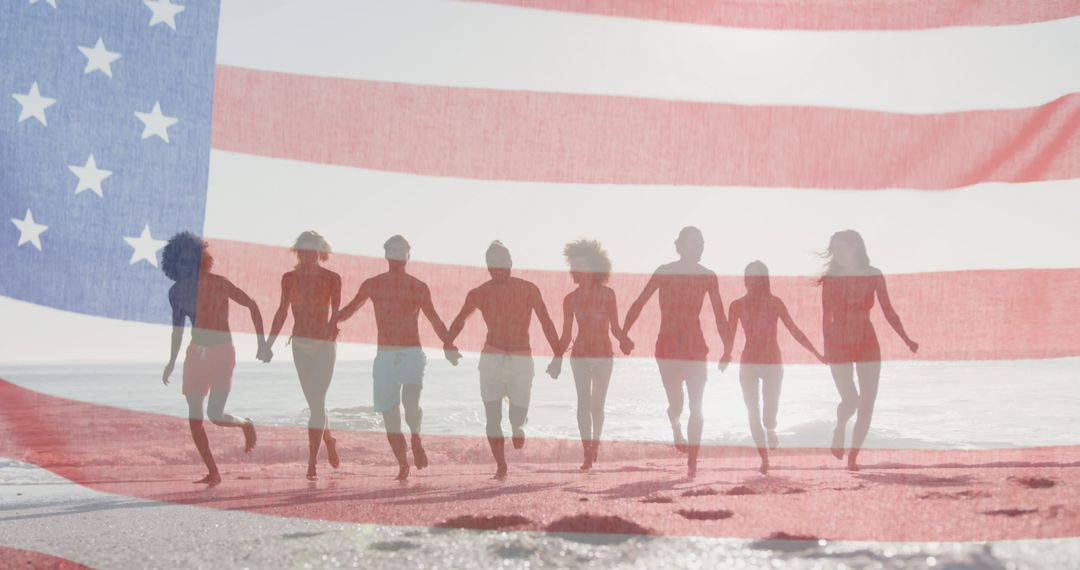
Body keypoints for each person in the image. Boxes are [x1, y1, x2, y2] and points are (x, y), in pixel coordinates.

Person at [335, 235, 459, 481]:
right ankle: (403, 463)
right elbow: (349, 310)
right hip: (385, 356)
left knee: (411, 404)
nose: (399, 253)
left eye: (403, 250)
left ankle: (416, 437)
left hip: (412, 352)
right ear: (386, 255)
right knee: (389, 414)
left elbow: (433, 318)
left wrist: (448, 343)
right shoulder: (373, 284)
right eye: (394, 249)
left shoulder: (418, 286)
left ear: (408, 256)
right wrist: (327, 323)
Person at [445, 241, 560, 480]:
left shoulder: (528, 289)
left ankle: (518, 425)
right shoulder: (479, 293)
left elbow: (546, 321)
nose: (497, 268)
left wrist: (557, 355)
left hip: (520, 357)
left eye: (501, 262)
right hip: (492, 357)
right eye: (492, 263)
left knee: (517, 415)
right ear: (487, 266)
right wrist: (448, 344)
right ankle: (501, 465)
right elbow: (460, 319)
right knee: (492, 416)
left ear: (510, 262)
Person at [623, 226, 731, 479]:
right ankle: (674, 423)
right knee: (677, 403)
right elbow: (640, 302)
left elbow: (719, 315)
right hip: (668, 347)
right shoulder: (664, 272)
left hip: (695, 346)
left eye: (701, 242)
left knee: (697, 404)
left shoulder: (708, 276)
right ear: (680, 246)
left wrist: (727, 349)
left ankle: (693, 461)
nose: (699, 247)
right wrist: (624, 333)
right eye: (693, 242)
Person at [160, 232, 264, 486]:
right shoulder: (176, 292)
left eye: (190, 259)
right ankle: (213, 472)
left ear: (200, 258)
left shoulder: (219, 283)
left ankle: (245, 423)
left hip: (222, 353)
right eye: (181, 261)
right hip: (195, 355)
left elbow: (252, 305)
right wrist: (172, 361)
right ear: (174, 264)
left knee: (215, 415)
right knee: (194, 420)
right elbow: (177, 330)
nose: (186, 265)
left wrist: (261, 343)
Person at [819, 230, 918, 471]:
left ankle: (854, 457)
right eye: (834, 250)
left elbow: (888, 310)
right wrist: (826, 348)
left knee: (867, 401)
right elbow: (826, 316)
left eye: (840, 248)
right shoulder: (832, 278)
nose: (836, 254)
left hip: (867, 342)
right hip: (839, 343)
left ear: (855, 247)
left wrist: (906, 338)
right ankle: (840, 426)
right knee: (850, 400)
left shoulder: (874, 275)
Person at [720, 261, 824, 474]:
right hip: (748, 361)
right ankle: (764, 459)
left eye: (758, 278)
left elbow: (794, 330)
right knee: (752, 412)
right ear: (746, 279)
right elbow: (729, 336)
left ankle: (771, 428)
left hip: (772, 362)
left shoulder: (774, 303)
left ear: (764, 280)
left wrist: (816, 353)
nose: (754, 282)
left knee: (769, 413)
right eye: (750, 277)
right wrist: (726, 355)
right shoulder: (737, 305)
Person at [546, 239, 633, 471]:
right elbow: (566, 335)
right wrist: (556, 360)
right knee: (583, 404)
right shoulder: (570, 300)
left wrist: (624, 340)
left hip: (604, 356)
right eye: (574, 266)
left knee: (598, 407)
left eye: (581, 265)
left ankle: (595, 443)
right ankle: (586, 452)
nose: (577, 270)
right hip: (580, 356)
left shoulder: (608, 295)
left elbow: (615, 327)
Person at [263, 231, 342, 480]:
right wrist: (268, 344)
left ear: (321, 251)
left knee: (317, 402)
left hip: (324, 345)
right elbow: (282, 312)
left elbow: (337, 312)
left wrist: (332, 327)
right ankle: (328, 438)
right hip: (300, 344)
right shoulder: (289, 278)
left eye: (313, 250)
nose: (309, 255)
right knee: (315, 404)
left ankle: (311, 464)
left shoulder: (332, 278)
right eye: (304, 250)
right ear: (299, 251)